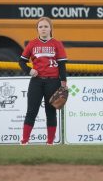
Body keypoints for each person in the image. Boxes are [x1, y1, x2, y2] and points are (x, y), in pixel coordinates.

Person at [18, 17, 67, 145]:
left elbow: (62, 65)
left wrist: (64, 83)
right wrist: (29, 71)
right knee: (31, 111)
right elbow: (22, 61)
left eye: (46, 26)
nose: (43, 29)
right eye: (40, 27)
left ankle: (50, 142)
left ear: (50, 28)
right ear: (37, 29)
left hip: (53, 81)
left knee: (51, 112)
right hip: (37, 81)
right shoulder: (32, 43)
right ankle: (24, 140)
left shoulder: (57, 44)